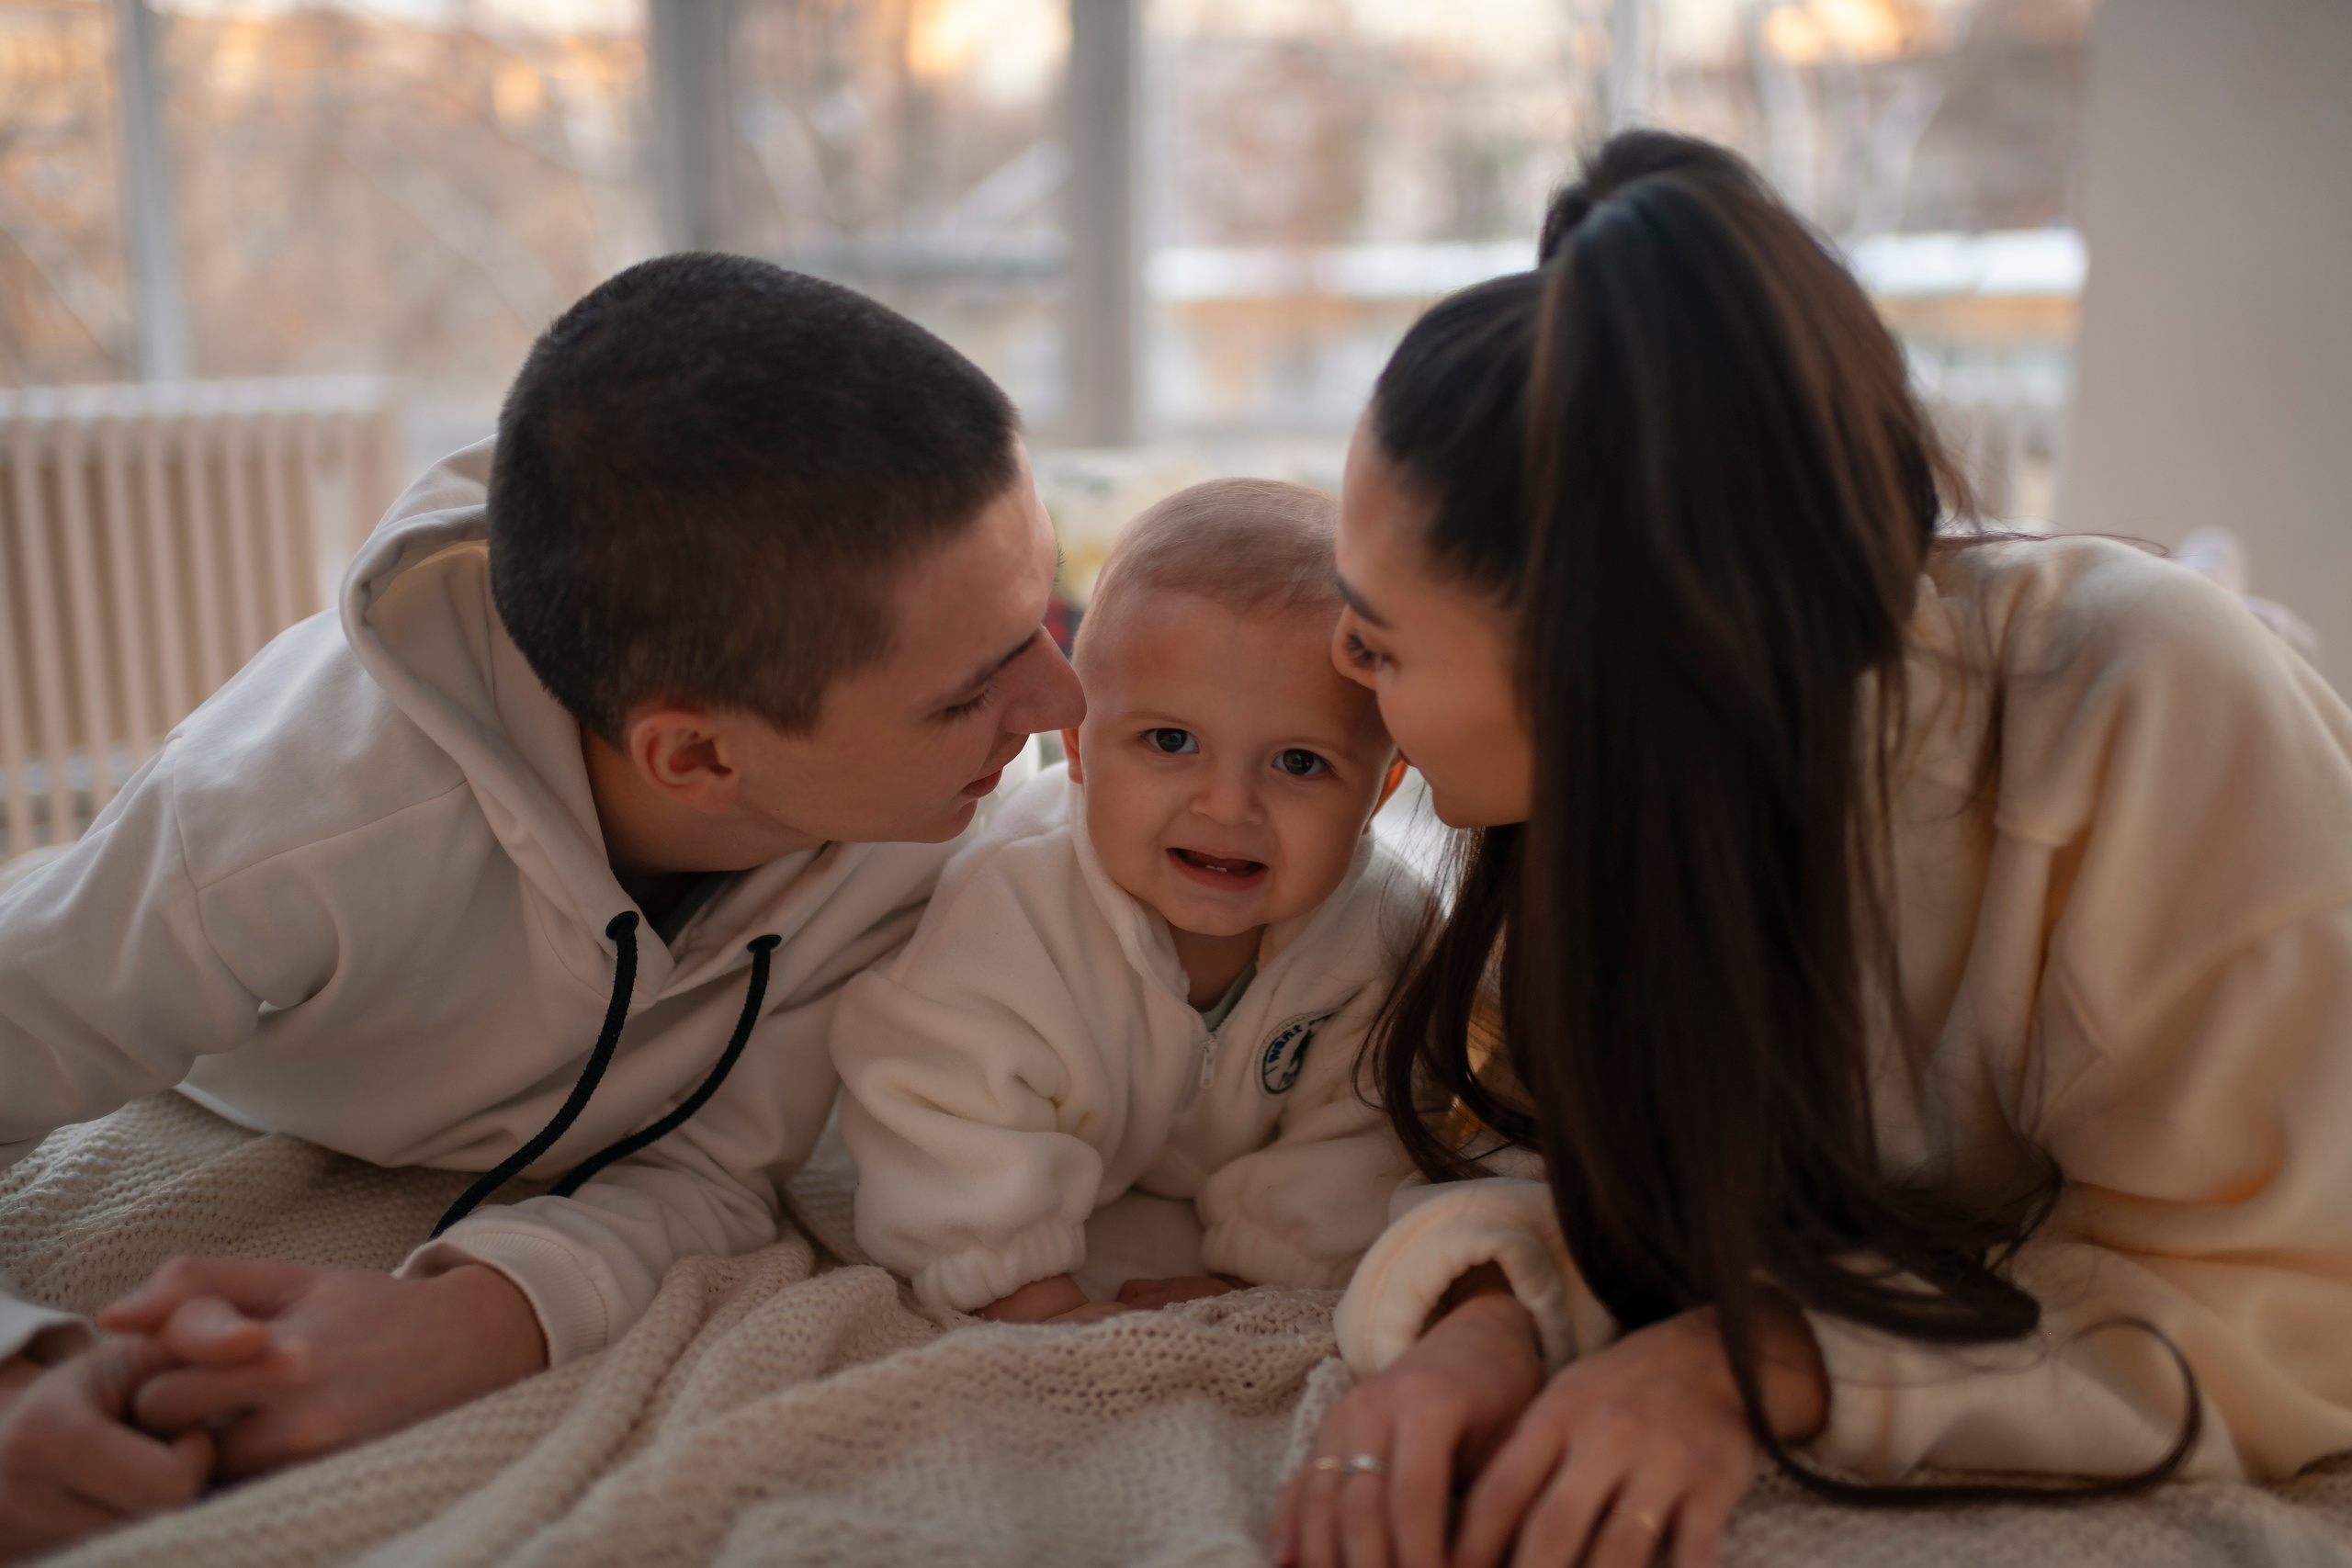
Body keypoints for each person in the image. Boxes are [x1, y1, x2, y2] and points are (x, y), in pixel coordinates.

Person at [1272, 130, 2352, 1568]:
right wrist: (1485, 1323)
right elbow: (1559, 1148)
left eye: (1382, 632)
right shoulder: (1618, 795)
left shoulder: (2150, 709)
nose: (1339, 658)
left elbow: (2283, 1295)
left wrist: (1757, 1365)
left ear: (1607, 665)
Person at [0, 253, 1084, 1562]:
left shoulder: (933, 813)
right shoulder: (277, 826)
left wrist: (479, 1317)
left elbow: (715, 1162)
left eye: (1049, 612)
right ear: (696, 757)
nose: (1059, 711)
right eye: (969, 692)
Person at [831, 479, 1422, 1324]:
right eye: (1170, 742)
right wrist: (1018, 1282)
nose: (1228, 806)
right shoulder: (1014, 904)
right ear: (1077, 743)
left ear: (1382, 787)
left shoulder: (1383, 934)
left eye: (1298, 762)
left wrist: (1269, 1267)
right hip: (1033, 1174)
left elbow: (1363, 1132)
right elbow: (937, 1103)